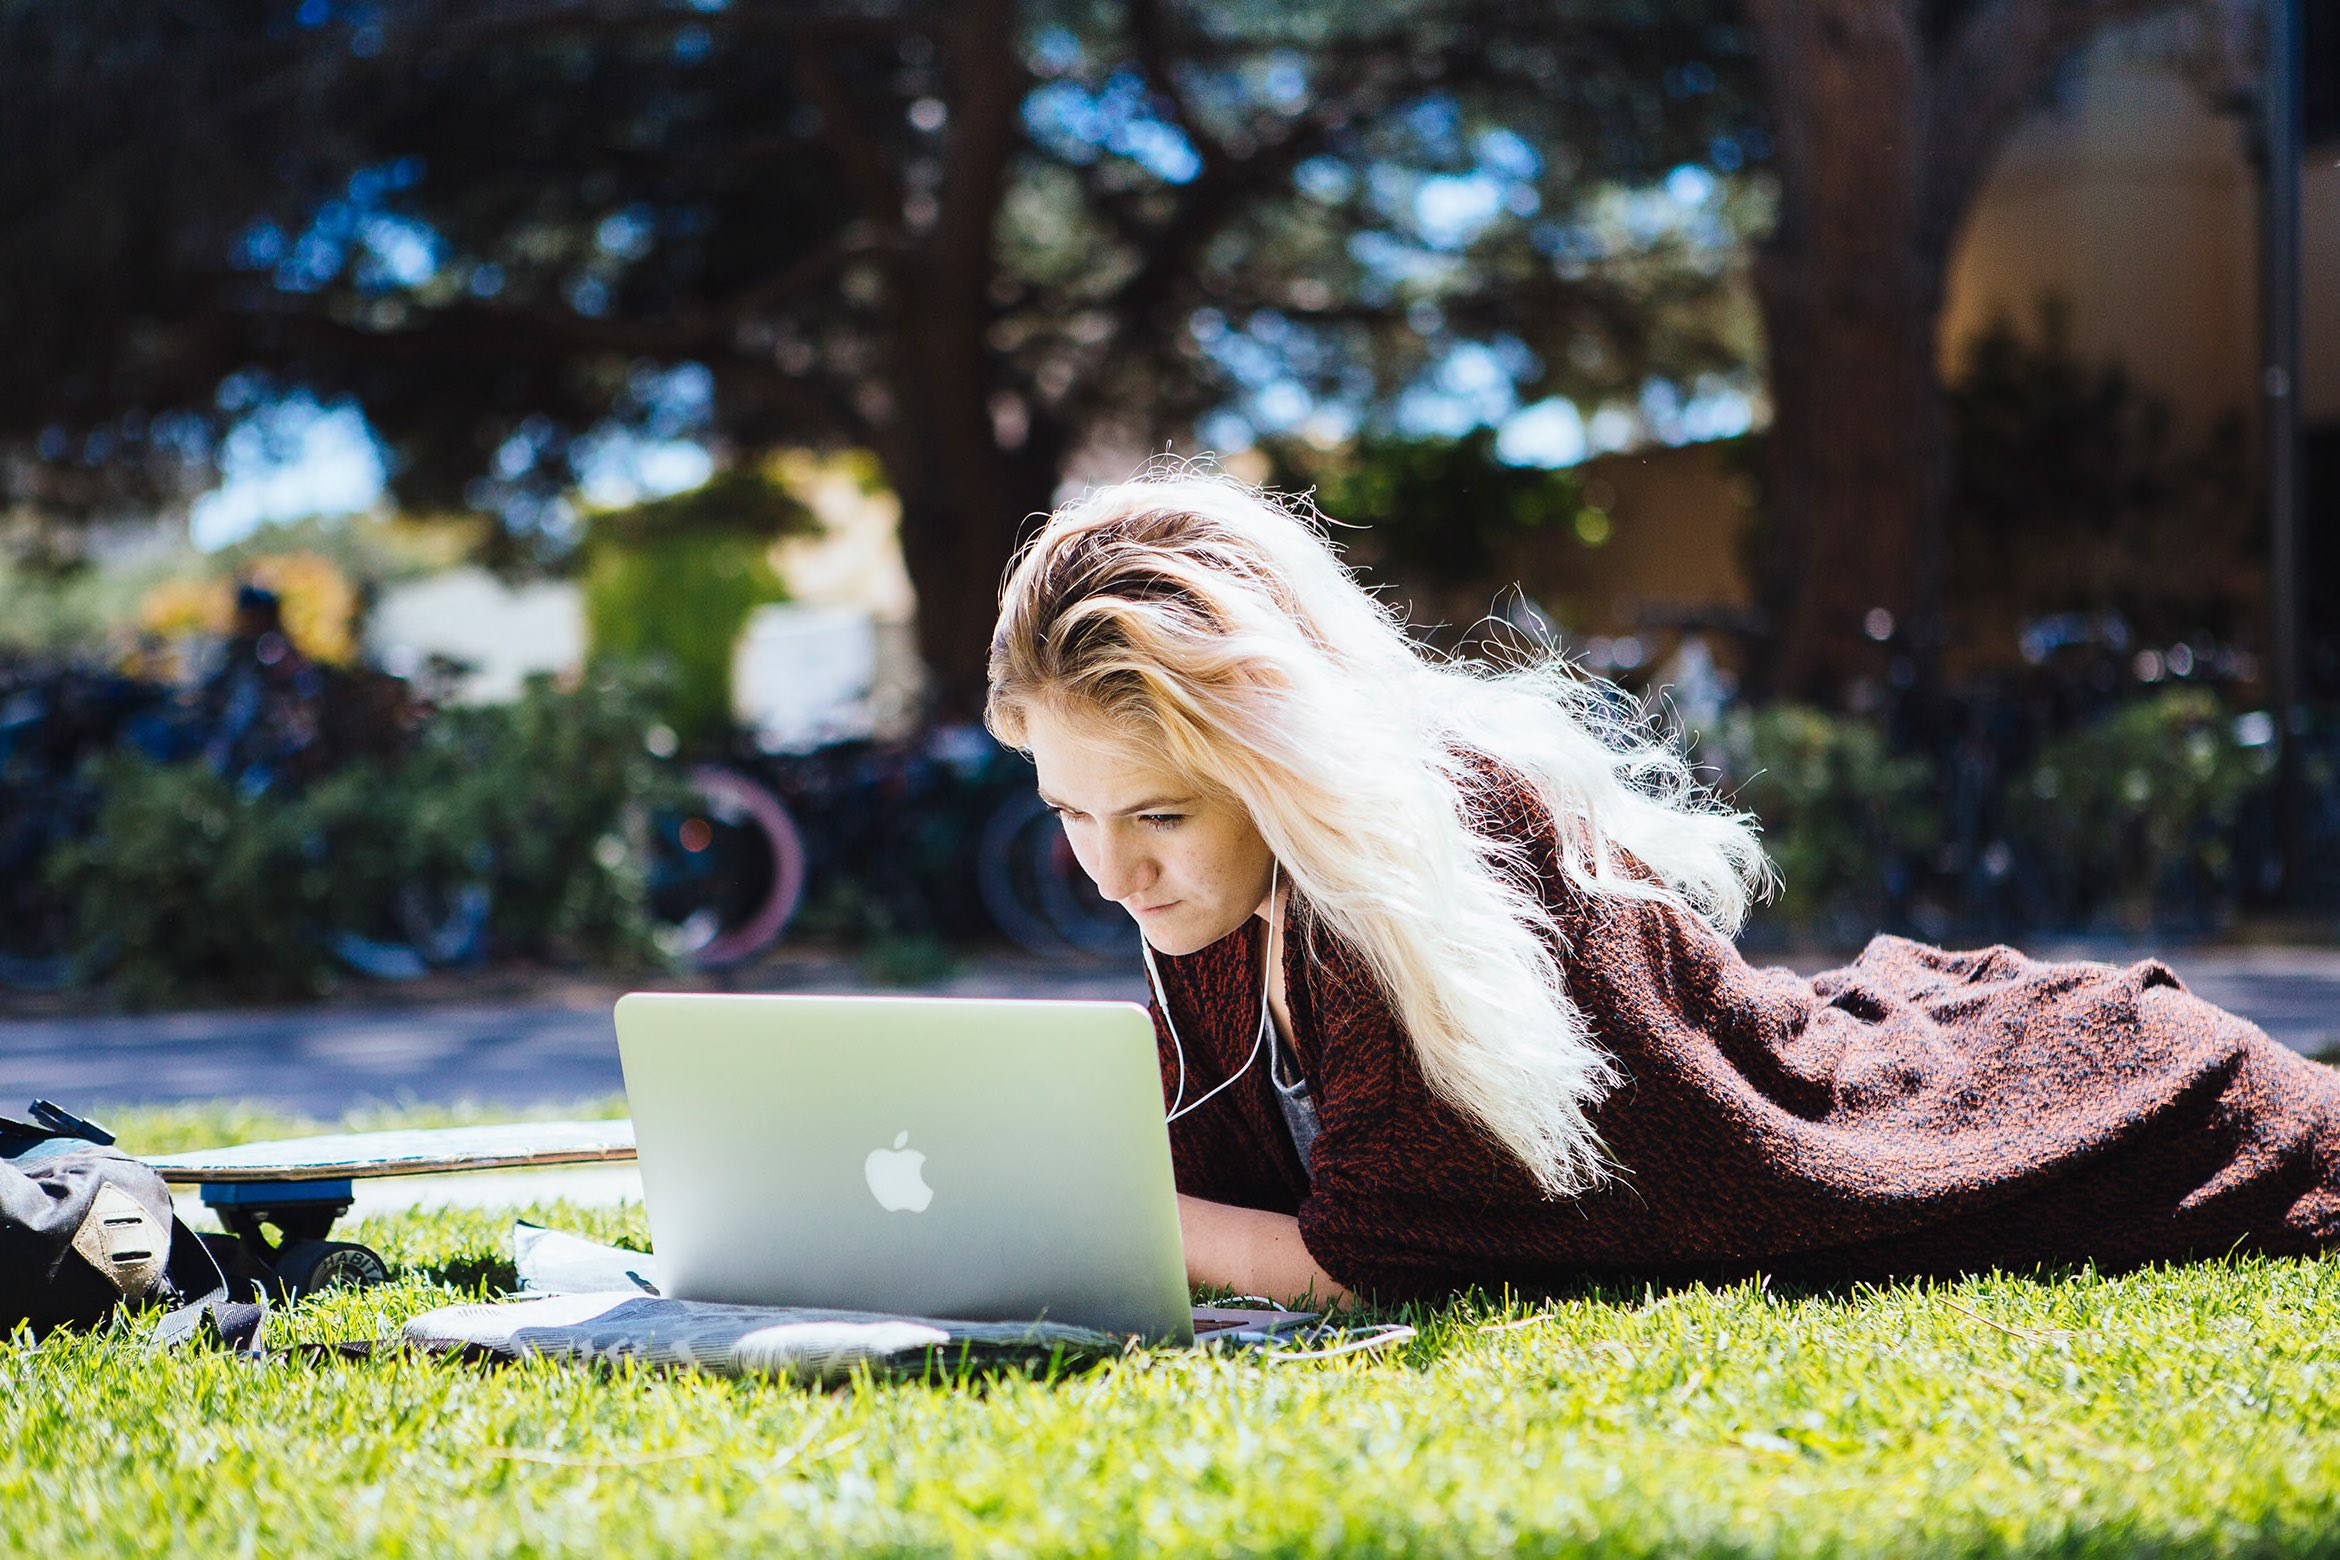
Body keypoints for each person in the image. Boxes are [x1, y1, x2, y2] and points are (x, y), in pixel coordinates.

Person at [984, 469, 2340, 1308]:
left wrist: (1100, 1218)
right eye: (1067, 814)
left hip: (2080, 1107)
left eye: (1157, 816)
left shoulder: (1430, 858)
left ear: (1282, 767)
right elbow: (1226, 1160)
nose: (1111, 871)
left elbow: (1372, 1256)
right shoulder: (1225, 899)